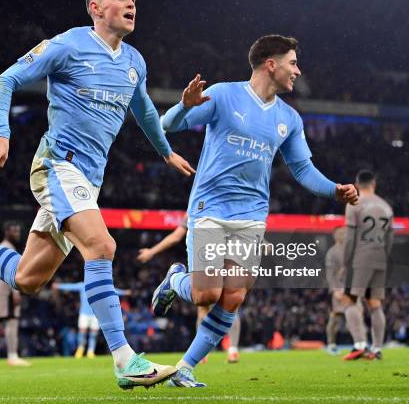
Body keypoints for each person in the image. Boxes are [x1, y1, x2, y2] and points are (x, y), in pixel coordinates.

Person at [0, 0, 194, 389]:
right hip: (58, 165)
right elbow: (3, 81)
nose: (131, 3)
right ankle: (124, 360)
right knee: (102, 245)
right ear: (96, 9)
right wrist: (1, 133)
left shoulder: (134, 61)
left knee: (28, 279)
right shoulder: (67, 45)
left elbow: (145, 110)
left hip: (87, 180)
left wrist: (166, 152)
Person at [151, 35, 359, 387]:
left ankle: (185, 367)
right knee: (206, 294)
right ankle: (174, 280)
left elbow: (302, 169)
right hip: (211, 206)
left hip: (251, 214)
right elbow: (168, 125)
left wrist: (333, 190)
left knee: (232, 297)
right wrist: (184, 106)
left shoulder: (289, 118)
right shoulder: (224, 94)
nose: (298, 70)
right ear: (271, 63)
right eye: (292, 63)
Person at [137, 214, 241, 363]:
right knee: (222, 303)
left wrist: (151, 252)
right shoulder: (208, 206)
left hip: (217, 256)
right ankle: (228, 350)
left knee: (218, 304)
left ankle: (217, 352)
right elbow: (176, 236)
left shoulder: (204, 205)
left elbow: (176, 236)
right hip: (215, 257)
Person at [341, 170, 394, 361]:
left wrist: (345, 262)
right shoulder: (386, 207)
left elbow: (349, 238)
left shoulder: (354, 203)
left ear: (357, 184)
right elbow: (390, 239)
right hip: (380, 257)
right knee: (375, 304)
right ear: (374, 184)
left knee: (348, 300)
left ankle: (360, 344)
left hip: (360, 258)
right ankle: (377, 348)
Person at [0, 222, 30, 367]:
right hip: (7, 290)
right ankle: (12, 356)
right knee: (12, 321)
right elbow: (10, 272)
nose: (17, 234)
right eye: (14, 231)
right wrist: (15, 291)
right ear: (6, 232)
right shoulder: (9, 248)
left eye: (18, 231)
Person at [52, 281, 130, 359]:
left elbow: (112, 291)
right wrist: (59, 286)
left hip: (95, 314)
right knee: (82, 332)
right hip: (84, 314)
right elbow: (71, 286)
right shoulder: (83, 286)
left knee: (93, 334)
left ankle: (90, 351)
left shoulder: (99, 287)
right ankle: (80, 349)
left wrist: (124, 292)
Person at [324, 226, 346, 355]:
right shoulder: (331, 253)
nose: (343, 235)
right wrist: (335, 289)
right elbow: (330, 273)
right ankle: (331, 344)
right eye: (340, 233)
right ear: (335, 236)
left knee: (356, 315)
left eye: (344, 233)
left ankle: (360, 344)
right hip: (338, 290)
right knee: (335, 318)